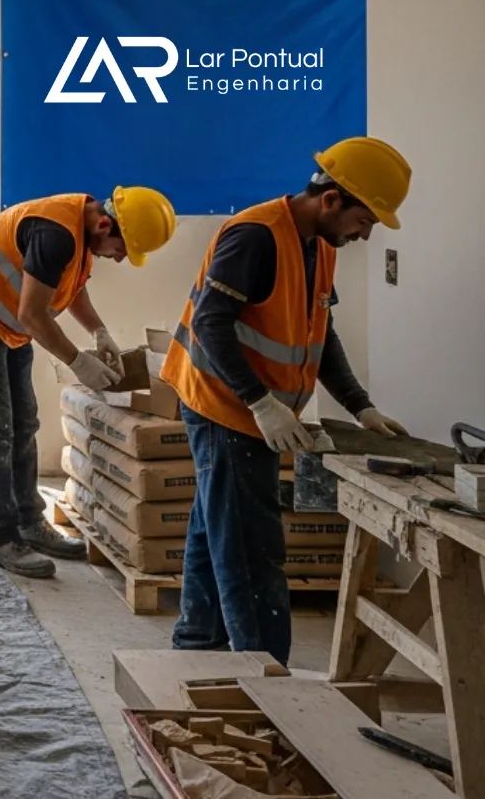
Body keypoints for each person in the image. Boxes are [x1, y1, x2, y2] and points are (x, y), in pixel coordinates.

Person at [161, 138, 410, 664]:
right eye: (365, 220)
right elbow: (210, 322)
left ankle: (198, 647)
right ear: (331, 200)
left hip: (252, 408)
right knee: (253, 553)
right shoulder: (256, 237)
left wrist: (359, 405)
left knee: (217, 529)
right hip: (225, 405)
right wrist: (261, 404)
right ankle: (268, 682)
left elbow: (322, 329)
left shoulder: (319, 245)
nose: (366, 234)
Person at [0, 187, 178, 578]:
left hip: (5, 323)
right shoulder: (56, 233)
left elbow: (67, 284)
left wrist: (98, 330)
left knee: (24, 424)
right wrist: (78, 362)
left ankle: (29, 523)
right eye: (122, 248)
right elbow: (33, 314)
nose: (119, 257)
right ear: (105, 224)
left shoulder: (80, 230)